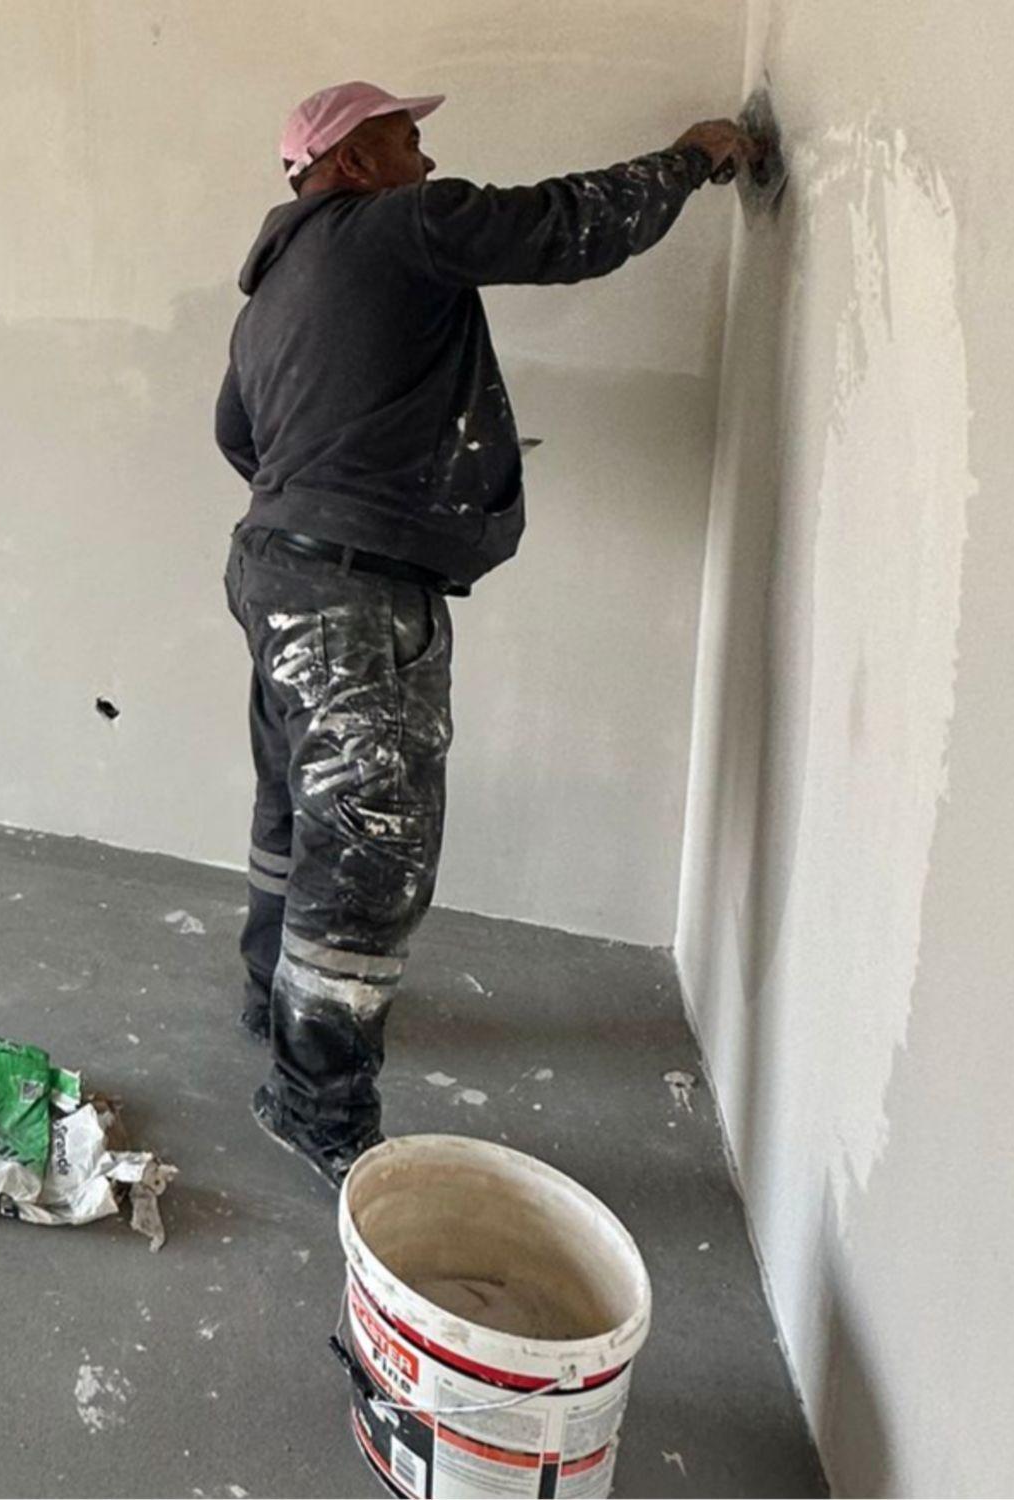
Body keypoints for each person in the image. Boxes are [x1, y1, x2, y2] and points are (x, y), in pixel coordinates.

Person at [213, 81, 752, 1187]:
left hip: (274, 570)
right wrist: (693, 158)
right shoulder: (400, 223)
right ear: (350, 162)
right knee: (368, 854)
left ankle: (270, 995)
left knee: (296, 808)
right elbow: (565, 225)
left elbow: (236, 432)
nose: (425, 157)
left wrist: (320, 493)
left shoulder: (269, 287)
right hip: (355, 597)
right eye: (406, 139)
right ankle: (313, 1104)